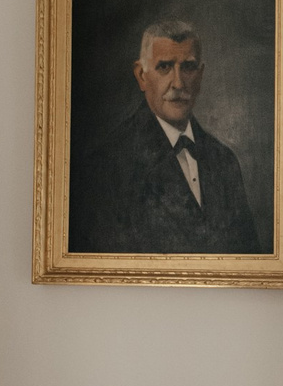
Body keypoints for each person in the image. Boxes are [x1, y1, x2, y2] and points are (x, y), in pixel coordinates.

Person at [71, 16, 260, 255]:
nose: (178, 83)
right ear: (141, 75)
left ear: (200, 76)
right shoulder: (107, 166)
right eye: (164, 67)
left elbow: (248, 259)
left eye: (188, 67)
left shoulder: (224, 161)